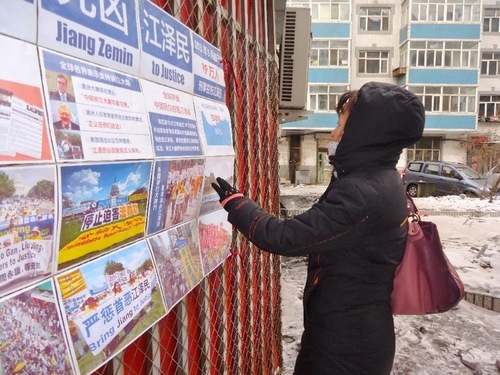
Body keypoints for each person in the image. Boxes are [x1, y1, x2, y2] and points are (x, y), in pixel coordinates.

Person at [212, 82, 425, 375]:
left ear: (368, 134)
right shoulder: (379, 179)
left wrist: (237, 203)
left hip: (345, 348)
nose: (334, 133)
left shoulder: (362, 193)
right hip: (352, 333)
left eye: (342, 124)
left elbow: (283, 237)